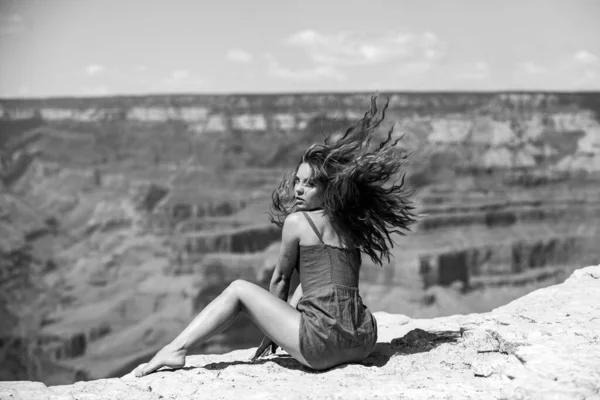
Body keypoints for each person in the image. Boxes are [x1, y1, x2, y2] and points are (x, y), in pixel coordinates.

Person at [134, 95, 417, 376]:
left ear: (329, 189)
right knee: (313, 284)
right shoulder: (351, 225)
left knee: (237, 290)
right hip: (362, 339)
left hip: (321, 347)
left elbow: (280, 280)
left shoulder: (297, 222)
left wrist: (273, 331)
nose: (298, 190)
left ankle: (177, 348)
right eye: (297, 181)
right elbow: (318, 284)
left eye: (309, 184)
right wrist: (283, 320)